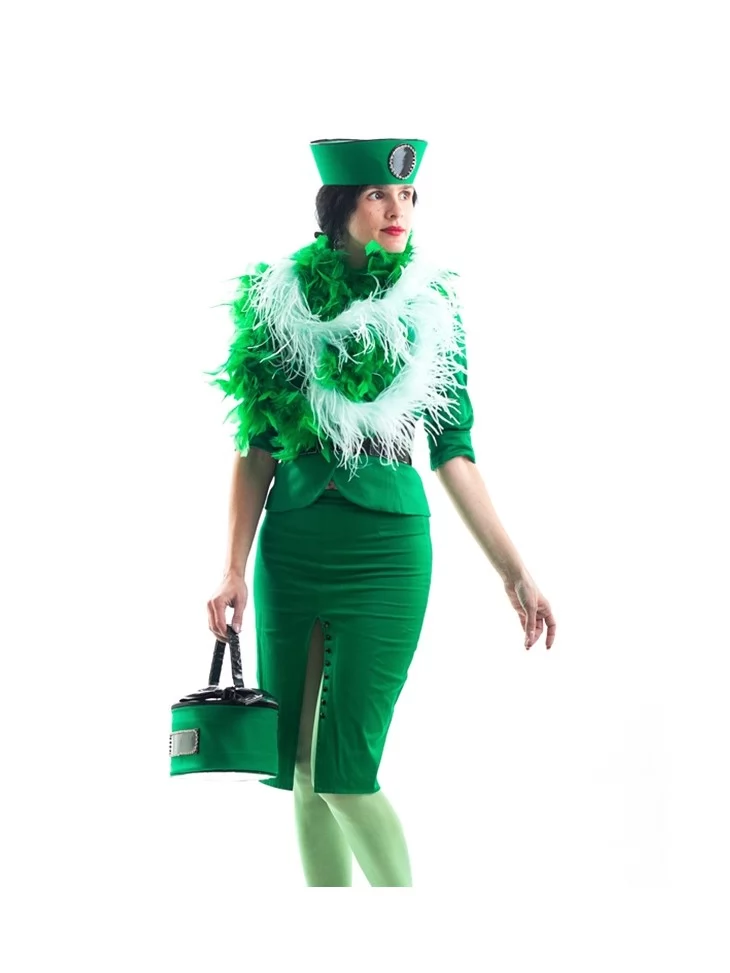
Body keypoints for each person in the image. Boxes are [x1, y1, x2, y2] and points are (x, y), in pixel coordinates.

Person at [206, 137, 557, 887]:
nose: (398, 209)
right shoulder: (280, 302)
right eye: (377, 195)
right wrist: (232, 567)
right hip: (292, 547)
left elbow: (454, 452)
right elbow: (256, 445)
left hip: (386, 552)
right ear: (339, 206)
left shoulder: (430, 310)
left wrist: (516, 573)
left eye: (407, 196)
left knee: (346, 771)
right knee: (302, 769)